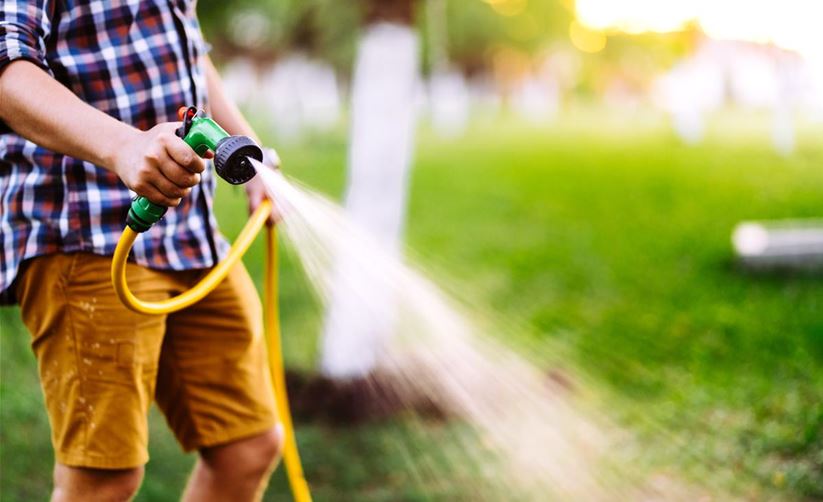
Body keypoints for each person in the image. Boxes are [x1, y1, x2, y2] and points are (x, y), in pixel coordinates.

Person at [0, 2, 283, 500]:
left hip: (191, 237)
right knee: (103, 481)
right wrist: (123, 147)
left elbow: (183, 41)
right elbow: (8, 68)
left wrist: (248, 149)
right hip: (86, 231)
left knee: (247, 447)